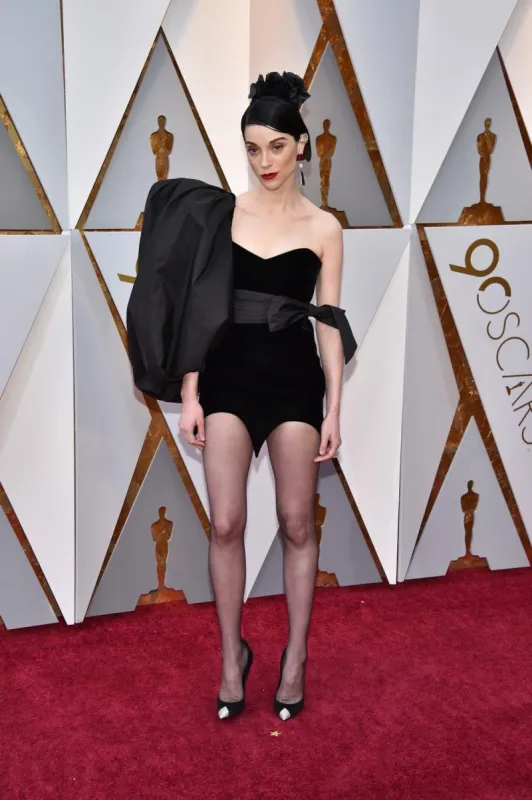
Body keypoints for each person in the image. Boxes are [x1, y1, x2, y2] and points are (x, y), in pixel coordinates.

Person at [126, 71, 356, 723]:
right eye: (253, 148)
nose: (265, 162)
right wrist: (192, 391)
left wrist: (334, 406)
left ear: (302, 147)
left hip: (292, 379)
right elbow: (201, 310)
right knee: (225, 522)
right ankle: (232, 657)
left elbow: (330, 323)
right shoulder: (222, 215)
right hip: (225, 374)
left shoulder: (325, 227)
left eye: (277, 147)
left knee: (295, 522)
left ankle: (296, 658)